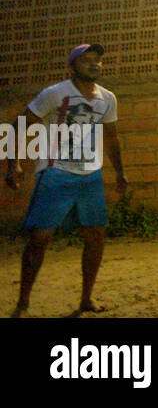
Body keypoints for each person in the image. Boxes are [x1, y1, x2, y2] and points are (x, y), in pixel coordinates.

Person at [3, 43, 128, 317]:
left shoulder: (107, 98)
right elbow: (20, 124)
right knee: (40, 237)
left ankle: (86, 299)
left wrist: (119, 172)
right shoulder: (55, 93)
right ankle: (23, 303)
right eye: (87, 60)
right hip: (56, 172)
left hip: (90, 174)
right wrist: (13, 164)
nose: (94, 64)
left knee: (95, 236)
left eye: (98, 60)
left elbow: (112, 137)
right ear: (72, 66)